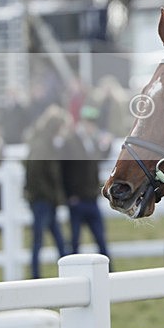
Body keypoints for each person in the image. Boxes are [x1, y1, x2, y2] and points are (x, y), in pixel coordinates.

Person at [60, 105, 112, 263]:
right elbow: (63, 172)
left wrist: (107, 145)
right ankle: (72, 274)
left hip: (91, 198)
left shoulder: (92, 142)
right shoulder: (70, 142)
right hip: (77, 200)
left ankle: (109, 272)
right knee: (75, 241)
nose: (92, 126)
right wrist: (69, 196)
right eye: (89, 122)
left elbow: (99, 159)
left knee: (101, 239)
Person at [24, 104, 69, 279]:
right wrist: (51, 195)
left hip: (46, 199)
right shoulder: (43, 145)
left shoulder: (43, 142)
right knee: (39, 241)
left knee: (54, 240)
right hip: (42, 200)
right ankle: (35, 276)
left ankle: (58, 274)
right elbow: (36, 174)